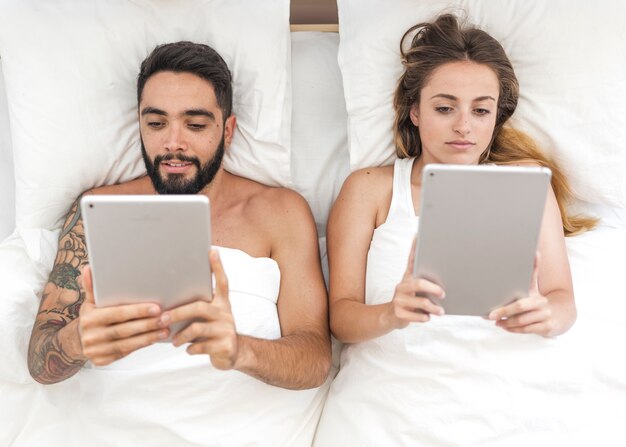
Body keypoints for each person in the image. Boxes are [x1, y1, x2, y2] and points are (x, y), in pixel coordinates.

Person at [313, 14, 596, 446]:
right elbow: (341, 319)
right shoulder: (371, 190)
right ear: (414, 110)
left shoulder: (526, 183)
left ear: (496, 116)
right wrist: (392, 312)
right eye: (445, 108)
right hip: (395, 403)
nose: (464, 126)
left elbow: (564, 303)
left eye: (481, 110)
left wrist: (545, 314)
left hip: (512, 395)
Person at [27, 41, 331, 390]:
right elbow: (40, 362)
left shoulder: (280, 212)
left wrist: (239, 350)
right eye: (156, 123)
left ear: (227, 131)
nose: (174, 142)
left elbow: (316, 361)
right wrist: (76, 340)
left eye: (196, 125)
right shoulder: (96, 210)